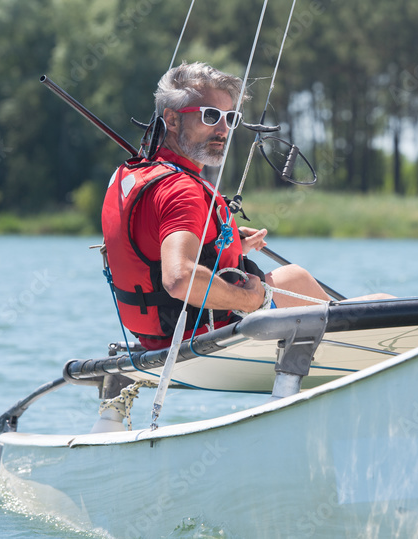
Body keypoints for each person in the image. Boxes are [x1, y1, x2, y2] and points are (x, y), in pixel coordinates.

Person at [101, 62, 333, 350]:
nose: (223, 129)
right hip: (206, 334)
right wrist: (250, 299)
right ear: (172, 120)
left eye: (231, 117)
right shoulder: (180, 189)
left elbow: (152, 244)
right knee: (299, 279)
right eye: (210, 116)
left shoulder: (133, 174)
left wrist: (223, 244)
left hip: (157, 337)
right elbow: (179, 278)